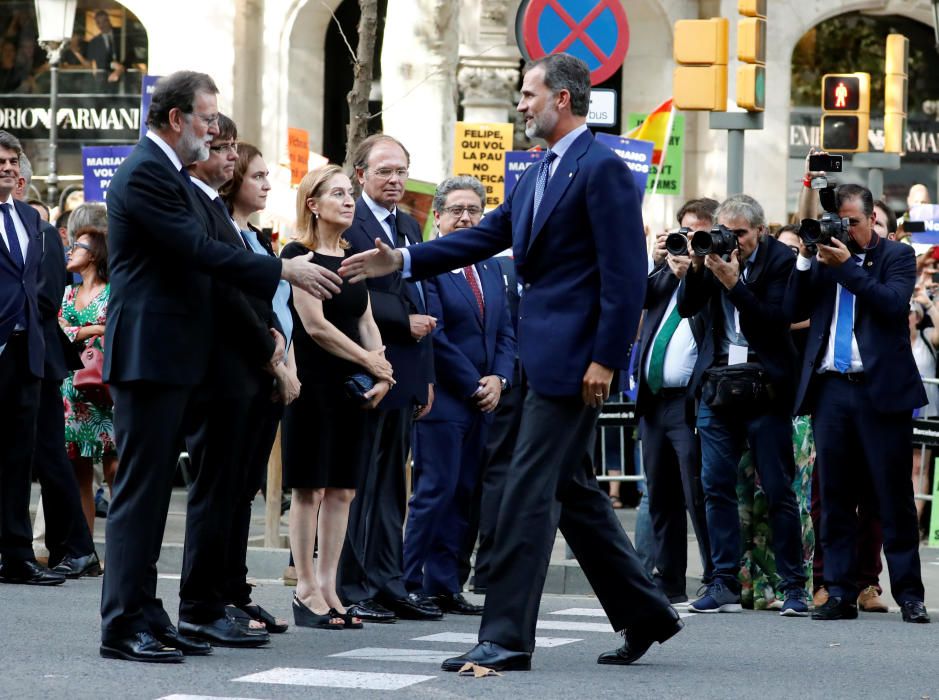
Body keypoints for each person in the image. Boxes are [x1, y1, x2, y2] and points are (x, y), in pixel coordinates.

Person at [341, 53, 679, 672]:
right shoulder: (538, 172)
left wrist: (607, 359)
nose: (521, 103)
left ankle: (506, 638)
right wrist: (405, 261)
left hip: (576, 367)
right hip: (536, 362)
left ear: (564, 100)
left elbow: (626, 275)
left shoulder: (600, 168)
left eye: (529, 93)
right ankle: (648, 613)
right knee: (573, 495)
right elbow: (485, 234)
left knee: (524, 494)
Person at [99, 70, 343, 664]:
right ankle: (123, 623)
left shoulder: (172, 174)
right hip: (149, 354)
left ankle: (147, 614)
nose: (214, 133)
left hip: (174, 355)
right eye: (209, 120)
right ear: (178, 118)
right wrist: (282, 270)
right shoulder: (145, 172)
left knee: (157, 495)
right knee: (140, 493)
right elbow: (198, 251)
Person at [785, 182, 930, 624]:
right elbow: (791, 307)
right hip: (832, 391)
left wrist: (848, 267)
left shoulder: (896, 256)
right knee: (834, 497)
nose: (844, 230)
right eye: (838, 222)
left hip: (879, 391)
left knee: (893, 497)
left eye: (852, 222)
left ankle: (909, 594)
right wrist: (807, 259)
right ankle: (841, 592)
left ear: (872, 220)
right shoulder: (826, 259)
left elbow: (889, 304)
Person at [176, 115, 281, 648]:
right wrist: (270, 349)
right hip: (220, 372)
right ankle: (200, 605)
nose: (228, 158)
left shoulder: (221, 213)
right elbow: (226, 290)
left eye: (232, 148)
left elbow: (257, 295)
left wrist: (275, 341)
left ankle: (219, 598)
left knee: (229, 493)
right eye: (222, 148)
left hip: (246, 373)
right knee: (213, 493)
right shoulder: (200, 207)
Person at [678, 194, 808, 617]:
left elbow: (774, 322)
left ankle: (793, 587)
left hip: (766, 386)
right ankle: (723, 582)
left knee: (776, 489)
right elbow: (686, 307)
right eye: (726, 232)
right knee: (715, 485)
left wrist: (735, 283)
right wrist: (699, 266)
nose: (733, 241)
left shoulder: (780, 263)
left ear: (761, 231)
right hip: (718, 386)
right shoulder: (713, 256)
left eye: (741, 234)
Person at [282, 164, 392, 630]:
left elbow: (366, 321)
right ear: (313, 204)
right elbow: (315, 326)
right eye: (338, 194)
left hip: (352, 387)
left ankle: (329, 585)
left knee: (344, 489)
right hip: (313, 383)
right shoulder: (296, 255)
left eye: (351, 193)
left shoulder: (352, 257)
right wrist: (370, 363)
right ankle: (305, 587)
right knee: (311, 487)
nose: (349, 201)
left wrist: (382, 369)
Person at [402, 175, 516, 615]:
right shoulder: (428, 265)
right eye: (456, 210)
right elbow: (437, 335)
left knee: (465, 493)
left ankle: (445, 584)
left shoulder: (491, 266)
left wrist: (498, 380)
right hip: (445, 398)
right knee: (435, 492)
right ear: (438, 215)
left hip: (485, 399)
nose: (466, 218)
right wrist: (473, 383)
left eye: (474, 211)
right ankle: (409, 582)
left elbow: (507, 331)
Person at [339, 134, 440, 624]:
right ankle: (353, 586)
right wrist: (403, 321)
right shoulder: (346, 222)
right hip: (363, 371)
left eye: (401, 171)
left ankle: (387, 582)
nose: (395, 180)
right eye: (384, 172)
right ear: (361, 176)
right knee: (357, 484)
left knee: (391, 489)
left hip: (406, 373)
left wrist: (425, 378)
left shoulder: (411, 225)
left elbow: (423, 299)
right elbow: (342, 290)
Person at [218, 142, 299, 633]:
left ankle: (236, 588)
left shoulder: (257, 238)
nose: (268, 185)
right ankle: (219, 594)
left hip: (272, 377)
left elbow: (280, 312)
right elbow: (245, 311)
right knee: (226, 491)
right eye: (258, 176)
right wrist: (277, 364)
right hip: (246, 376)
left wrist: (289, 363)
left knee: (245, 490)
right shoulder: (228, 237)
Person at [638, 198, 716, 605]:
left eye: (698, 232)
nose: (690, 239)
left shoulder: (713, 276)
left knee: (697, 493)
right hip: (653, 402)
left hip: (690, 402)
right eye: (684, 231)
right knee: (662, 494)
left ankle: (715, 576)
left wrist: (698, 268)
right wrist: (661, 261)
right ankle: (669, 579)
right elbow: (641, 296)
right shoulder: (667, 272)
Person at [0, 130, 65, 587]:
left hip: (26, 352)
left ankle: (18, 555)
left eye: (11, 160)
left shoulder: (29, 218)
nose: (6, 167)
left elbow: (40, 283)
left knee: (20, 458)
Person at [59, 226, 117, 538]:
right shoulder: (67, 293)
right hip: (72, 390)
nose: (69, 250)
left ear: (93, 255)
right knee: (80, 473)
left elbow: (113, 331)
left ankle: (123, 551)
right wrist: (92, 329)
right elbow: (58, 328)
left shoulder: (113, 291)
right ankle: (85, 550)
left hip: (106, 389)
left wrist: (77, 328)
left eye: (76, 245)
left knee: (114, 470)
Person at [86, 10, 124, 90]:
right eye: (98, 23)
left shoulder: (121, 34)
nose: (101, 25)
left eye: (104, 21)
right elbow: (97, 62)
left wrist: (121, 68)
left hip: (125, 78)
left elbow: (130, 54)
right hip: (104, 82)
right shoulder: (94, 42)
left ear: (109, 21)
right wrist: (113, 65)